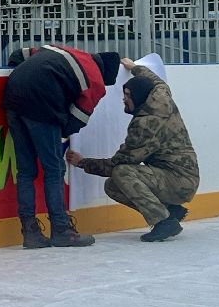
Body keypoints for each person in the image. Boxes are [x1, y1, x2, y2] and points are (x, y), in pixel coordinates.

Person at [2, 45, 121, 249]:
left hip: (12, 95)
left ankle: (30, 232)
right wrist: (59, 130)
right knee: (54, 168)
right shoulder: (96, 81)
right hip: (42, 103)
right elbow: (77, 120)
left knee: (26, 170)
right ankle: (61, 229)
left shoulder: (63, 50)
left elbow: (18, 55)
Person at [66, 62, 198, 242]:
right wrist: (134, 67)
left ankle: (164, 221)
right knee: (112, 186)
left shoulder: (146, 125)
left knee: (122, 173)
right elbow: (156, 81)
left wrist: (83, 163)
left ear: (139, 97)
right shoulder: (161, 96)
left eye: (128, 95)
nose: (124, 99)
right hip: (182, 176)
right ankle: (171, 210)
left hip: (179, 181)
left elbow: (118, 164)